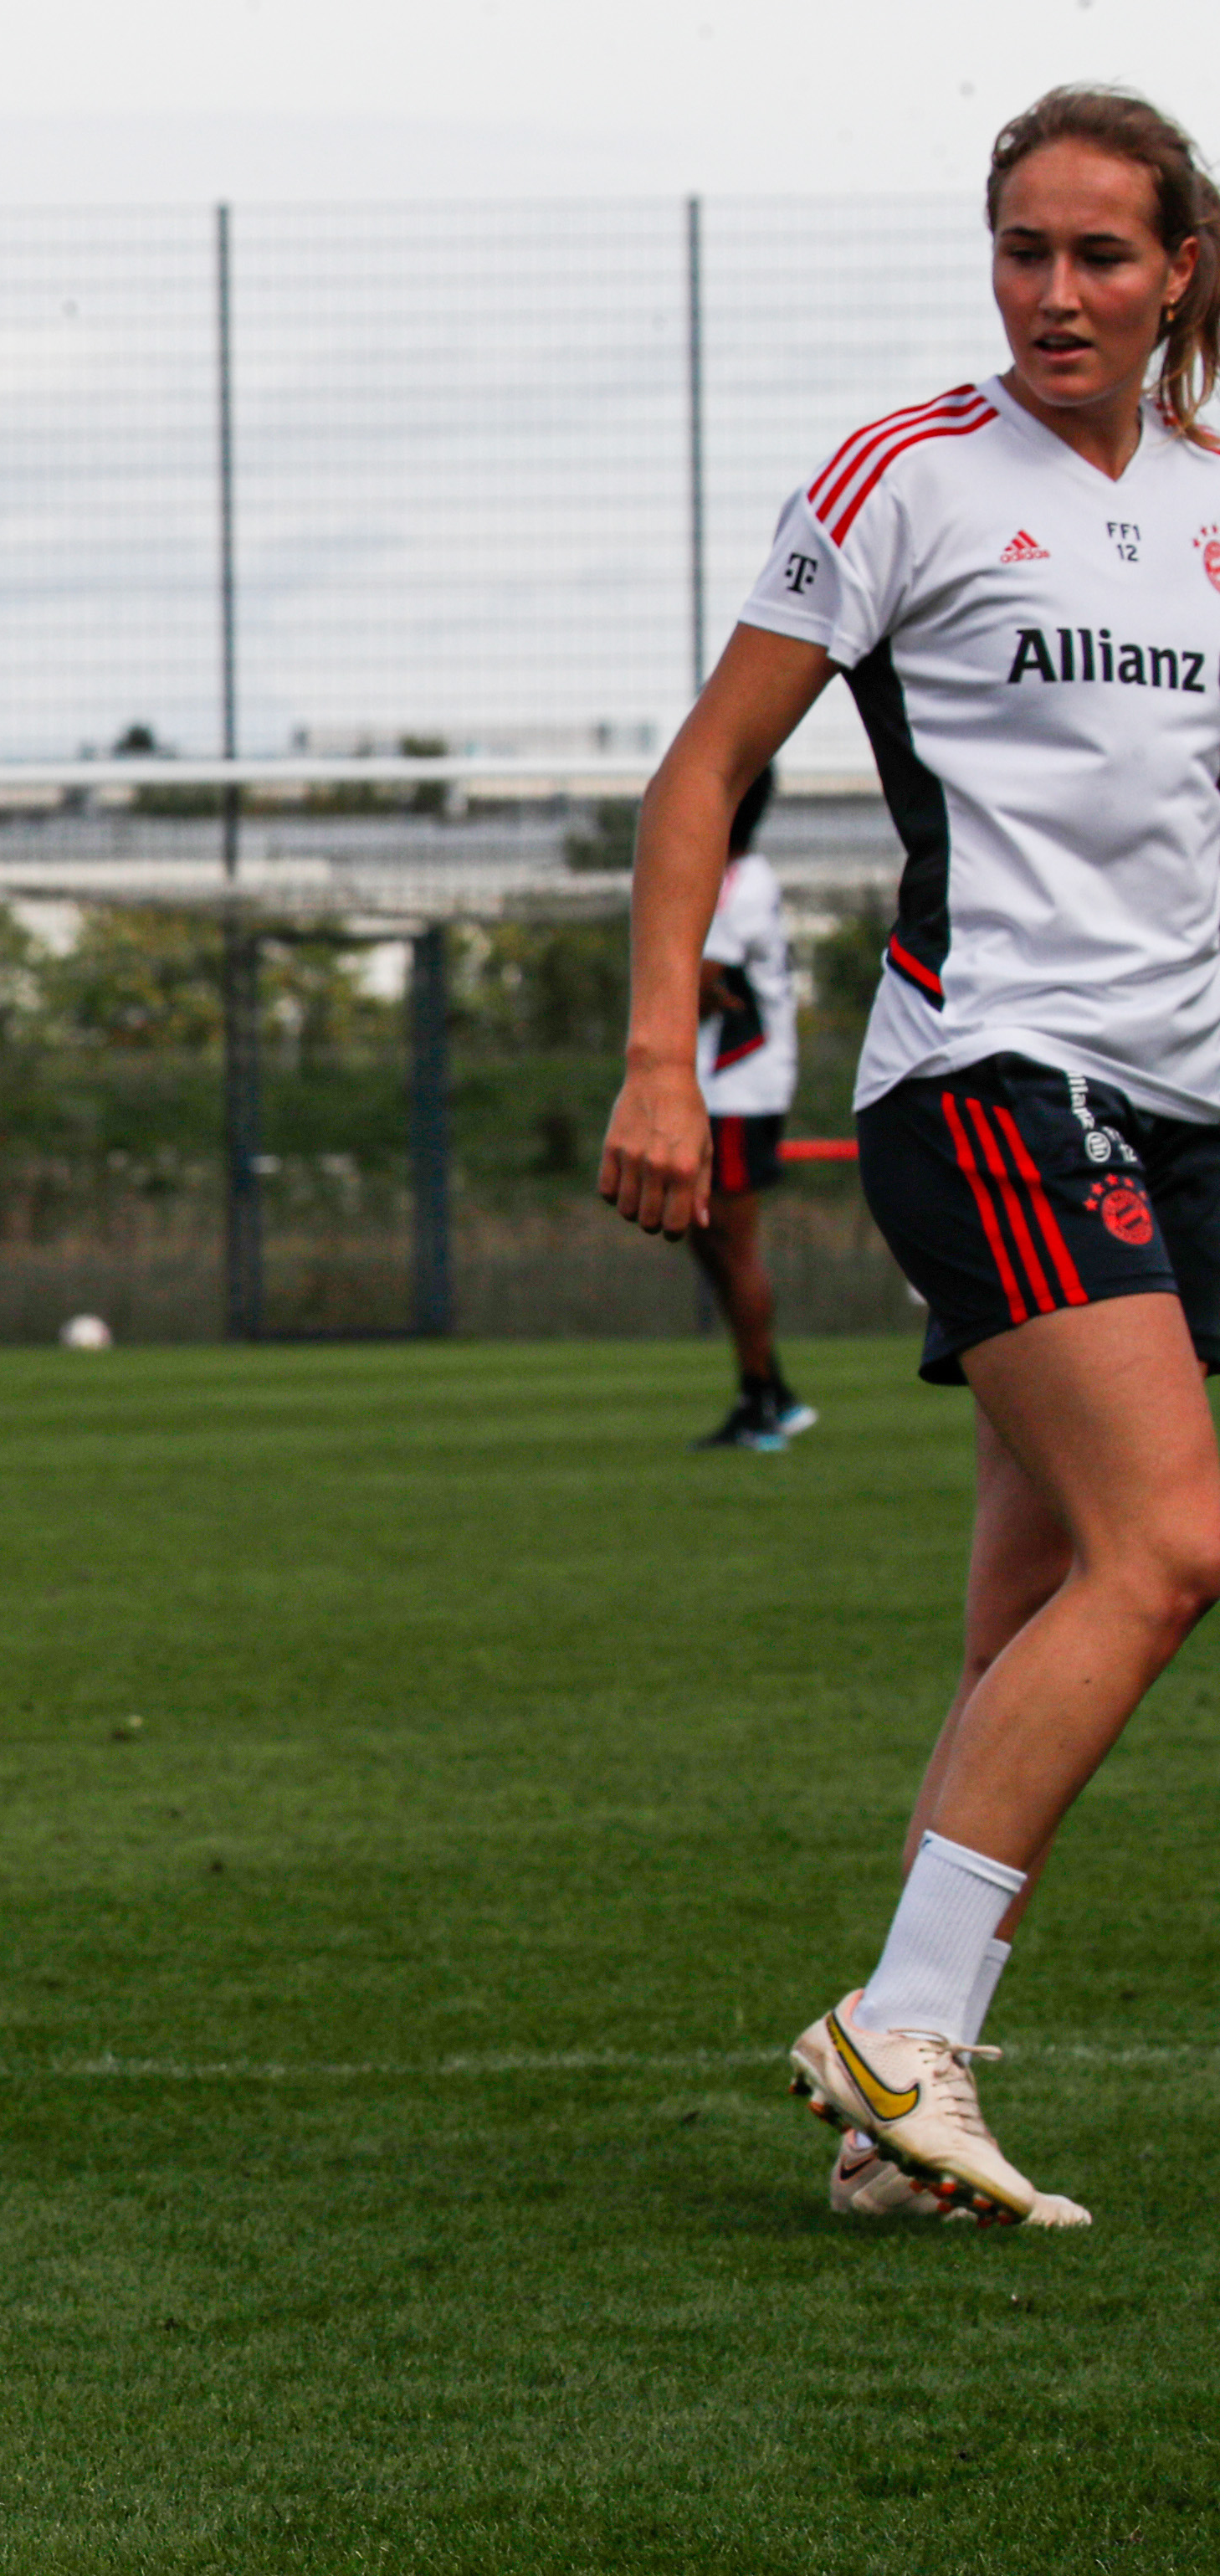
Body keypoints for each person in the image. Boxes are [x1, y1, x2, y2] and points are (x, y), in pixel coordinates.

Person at [600, 83, 1220, 2230]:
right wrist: (656, 1055)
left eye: (1098, 258)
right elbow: (704, 768)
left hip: (1177, 1109)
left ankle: (891, 2069)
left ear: (1176, 275)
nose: (1052, 294)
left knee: (1027, 1607)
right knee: (1167, 1544)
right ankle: (901, 2028)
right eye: (1020, 251)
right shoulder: (903, 478)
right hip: (985, 1080)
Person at [681, 765, 818, 1450]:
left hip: (740, 1083)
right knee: (704, 1235)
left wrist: (680, 984)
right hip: (722, 1081)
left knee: (733, 1244)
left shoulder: (739, 880)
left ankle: (763, 1399)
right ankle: (772, 1389)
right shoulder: (730, 876)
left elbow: (703, 982)